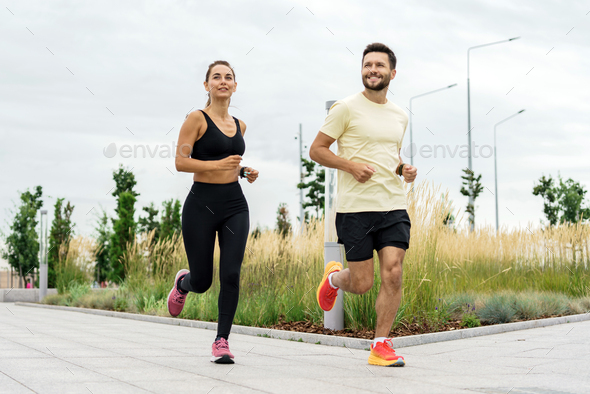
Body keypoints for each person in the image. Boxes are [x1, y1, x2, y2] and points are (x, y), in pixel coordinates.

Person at [310, 43, 417, 367]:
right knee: (361, 283)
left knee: (394, 272)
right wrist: (350, 166)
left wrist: (403, 170)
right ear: (362, 70)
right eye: (368, 65)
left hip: (392, 204)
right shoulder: (345, 108)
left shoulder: (400, 116)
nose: (373, 70)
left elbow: (390, 157)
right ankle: (333, 279)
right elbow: (317, 150)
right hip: (355, 208)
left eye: (379, 66)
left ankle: (380, 344)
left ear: (392, 73)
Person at [167, 60, 259, 364]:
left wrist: (244, 171)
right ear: (206, 85)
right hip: (201, 205)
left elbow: (230, 163)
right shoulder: (196, 119)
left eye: (228, 77)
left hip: (234, 204)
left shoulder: (240, 125)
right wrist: (216, 166)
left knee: (231, 273)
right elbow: (181, 162)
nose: (223, 81)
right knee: (203, 281)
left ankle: (222, 340)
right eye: (216, 77)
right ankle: (184, 283)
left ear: (235, 86)